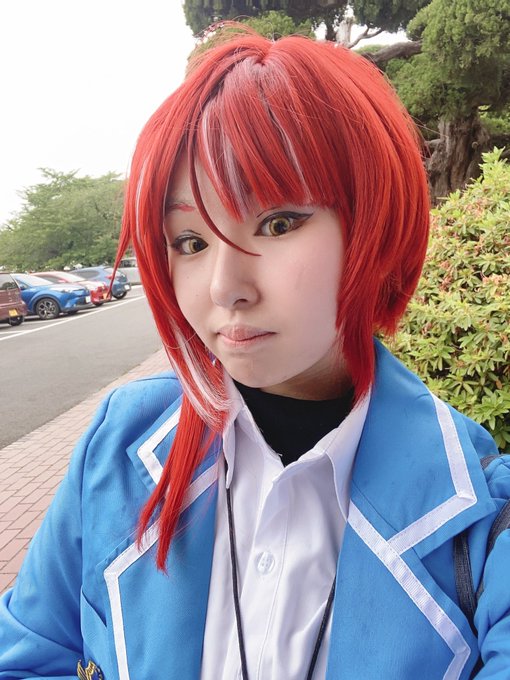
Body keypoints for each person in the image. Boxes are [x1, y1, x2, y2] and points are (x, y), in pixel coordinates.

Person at [1, 26, 509, 680]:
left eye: (276, 223)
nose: (224, 287)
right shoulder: (117, 450)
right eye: (190, 241)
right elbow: (27, 654)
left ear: (373, 223)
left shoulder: (484, 516)